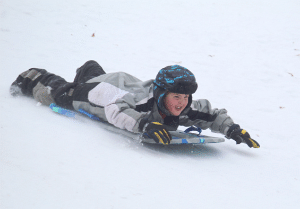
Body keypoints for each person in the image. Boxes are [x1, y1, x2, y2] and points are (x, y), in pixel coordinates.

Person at [10, 60, 260, 148]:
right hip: (100, 93)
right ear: (162, 94)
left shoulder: (181, 104)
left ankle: (89, 67)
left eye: (185, 98)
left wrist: (231, 128)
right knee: (60, 93)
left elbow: (208, 114)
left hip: (121, 81)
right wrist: (144, 125)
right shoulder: (141, 104)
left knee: (93, 73)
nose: (182, 104)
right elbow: (116, 110)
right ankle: (33, 76)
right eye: (176, 97)